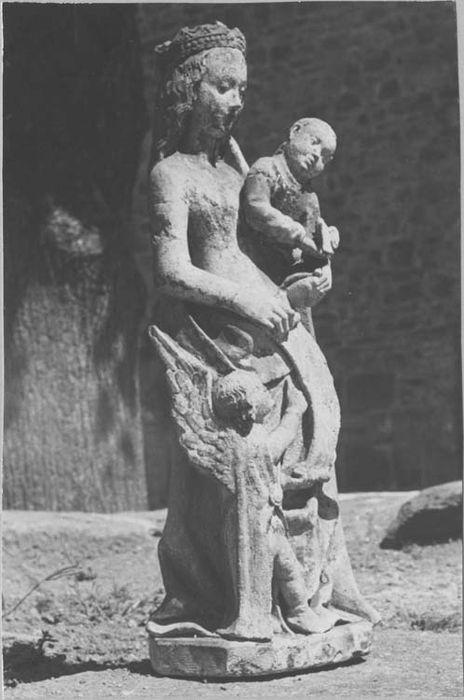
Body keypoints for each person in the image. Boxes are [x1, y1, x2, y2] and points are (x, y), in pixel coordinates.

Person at [148, 21, 379, 640]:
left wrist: (301, 283)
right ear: (189, 91)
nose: (236, 102)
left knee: (317, 434)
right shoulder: (172, 174)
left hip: (274, 320)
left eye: (241, 90)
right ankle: (258, 601)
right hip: (225, 337)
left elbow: (265, 244)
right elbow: (173, 271)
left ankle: (313, 589)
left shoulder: (238, 170)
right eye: (224, 87)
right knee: (251, 464)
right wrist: (253, 305)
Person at [241, 117, 339, 333]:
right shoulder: (268, 168)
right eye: (314, 143)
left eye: (325, 157)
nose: (316, 157)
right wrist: (297, 235)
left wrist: (324, 268)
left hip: (287, 273)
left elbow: (315, 246)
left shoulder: (309, 199)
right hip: (254, 264)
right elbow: (256, 208)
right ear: (295, 131)